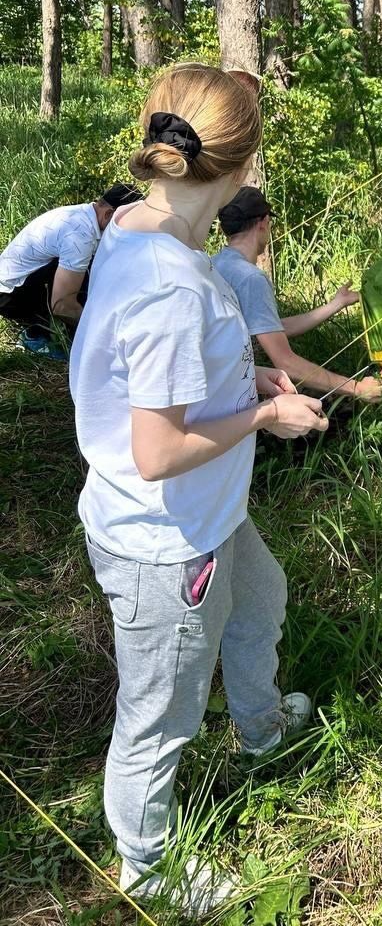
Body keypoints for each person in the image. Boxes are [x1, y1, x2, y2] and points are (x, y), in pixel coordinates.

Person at [70, 64, 328, 915]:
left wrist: (246, 378)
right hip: (163, 534)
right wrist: (263, 420)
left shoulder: (142, 227)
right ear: (244, 167)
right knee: (160, 714)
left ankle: (259, 730)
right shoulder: (174, 284)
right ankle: (150, 868)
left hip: (207, 516)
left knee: (262, 600)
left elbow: (155, 373)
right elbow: (156, 448)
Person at [212, 186, 382, 403]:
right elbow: (285, 362)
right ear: (264, 222)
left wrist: (335, 304)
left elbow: (272, 329)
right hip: (228, 400)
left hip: (212, 391)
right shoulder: (250, 278)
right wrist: (357, 388)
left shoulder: (217, 264)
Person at [0, 183, 142, 356]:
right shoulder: (79, 235)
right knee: (79, 279)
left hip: (20, 282)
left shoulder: (83, 214)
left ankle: (49, 328)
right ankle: (37, 334)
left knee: (90, 268)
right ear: (109, 214)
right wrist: (100, 335)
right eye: (128, 223)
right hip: (10, 294)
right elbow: (61, 305)